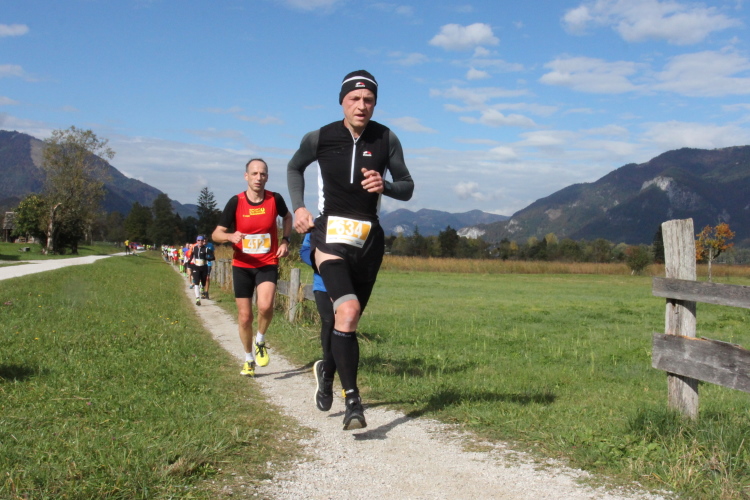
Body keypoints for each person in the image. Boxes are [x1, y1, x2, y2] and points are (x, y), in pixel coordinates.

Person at [287, 69, 414, 430]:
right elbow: (294, 167)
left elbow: (407, 186)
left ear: (375, 103)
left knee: (348, 321)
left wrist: (385, 185)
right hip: (328, 236)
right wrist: (299, 207)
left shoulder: (386, 138)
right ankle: (353, 402)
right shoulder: (321, 137)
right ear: (342, 101)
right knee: (347, 310)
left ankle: (327, 370)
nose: (361, 105)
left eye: (368, 100)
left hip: (368, 243)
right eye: (354, 99)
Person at [212, 158, 293, 378]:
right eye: (254, 173)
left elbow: (288, 217)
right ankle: (248, 359)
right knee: (245, 317)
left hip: (267, 263)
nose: (259, 178)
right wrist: (230, 236)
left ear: (267, 177)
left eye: (263, 174)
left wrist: (285, 240)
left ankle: (260, 340)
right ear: (246, 176)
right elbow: (216, 233)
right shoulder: (236, 202)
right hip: (242, 265)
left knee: (265, 307)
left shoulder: (275, 199)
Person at [300, 233, 336, 411]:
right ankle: (327, 369)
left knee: (346, 328)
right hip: (322, 285)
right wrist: (323, 263)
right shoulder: (318, 225)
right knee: (329, 321)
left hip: (350, 284)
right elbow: (305, 250)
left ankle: (346, 384)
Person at [187, 235, 214, 305]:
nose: (200, 242)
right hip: (196, 267)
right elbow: (192, 256)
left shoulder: (206, 249)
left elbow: (213, 257)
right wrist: (189, 262)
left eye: (201, 240)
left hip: (204, 267)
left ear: (203, 241)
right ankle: (197, 299)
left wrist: (207, 258)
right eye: (198, 240)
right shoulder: (194, 248)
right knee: (196, 282)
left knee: (203, 282)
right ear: (197, 241)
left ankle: (202, 288)